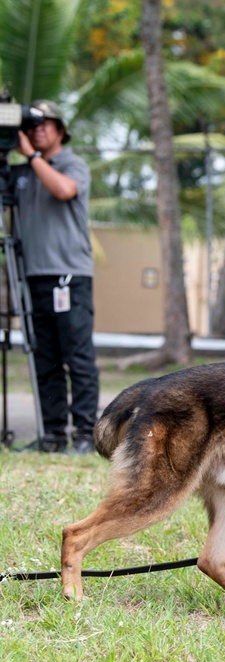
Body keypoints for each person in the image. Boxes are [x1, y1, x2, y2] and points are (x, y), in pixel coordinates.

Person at [12, 100, 99, 455]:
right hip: (32, 277)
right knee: (44, 359)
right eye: (33, 125)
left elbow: (63, 190)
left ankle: (84, 434)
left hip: (68, 276)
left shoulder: (72, 164)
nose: (38, 130)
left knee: (76, 356)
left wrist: (32, 156)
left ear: (60, 130)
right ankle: (52, 435)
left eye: (46, 124)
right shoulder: (21, 173)